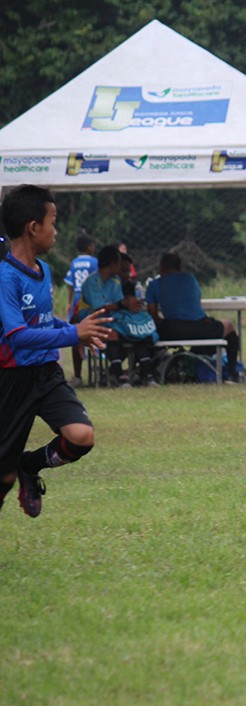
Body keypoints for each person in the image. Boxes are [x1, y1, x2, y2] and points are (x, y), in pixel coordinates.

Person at [0, 184, 112, 519]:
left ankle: (29, 466)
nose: (56, 231)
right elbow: (17, 335)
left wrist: (76, 332)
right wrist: (73, 334)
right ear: (33, 228)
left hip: (47, 375)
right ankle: (13, 473)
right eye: (53, 222)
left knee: (81, 437)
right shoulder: (6, 277)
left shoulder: (44, 269)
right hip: (12, 381)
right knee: (1, 479)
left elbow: (45, 320)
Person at [145, 251, 242, 383]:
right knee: (229, 326)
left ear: (162, 267)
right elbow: (196, 301)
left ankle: (151, 370)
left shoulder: (154, 284)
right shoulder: (190, 278)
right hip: (200, 328)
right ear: (180, 267)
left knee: (148, 331)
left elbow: (152, 315)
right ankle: (232, 372)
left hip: (172, 330)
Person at [77, 245, 156, 387]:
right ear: (112, 264)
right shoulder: (91, 282)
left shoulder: (115, 281)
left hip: (112, 318)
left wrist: (131, 305)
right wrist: (123, 304)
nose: (121, 266)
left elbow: (118, 305)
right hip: (92, 320)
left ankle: (147, 374)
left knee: (136, 331)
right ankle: (118, 375)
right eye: (119, 263)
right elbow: (99, 309)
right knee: (112, 333)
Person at [63, 232, 98, 386]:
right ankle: (103, 371)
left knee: (75, 334)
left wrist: (69, 302)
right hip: (89, 299)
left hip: (77, 298)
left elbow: (70, 284)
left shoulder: (74, 262)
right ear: (89, 247)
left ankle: (77, 376)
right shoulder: (94, 262)